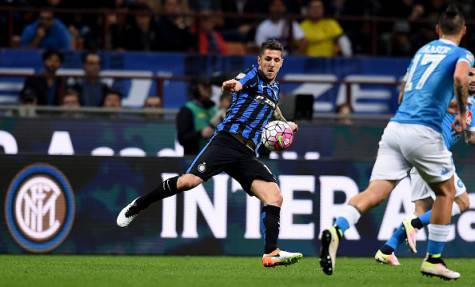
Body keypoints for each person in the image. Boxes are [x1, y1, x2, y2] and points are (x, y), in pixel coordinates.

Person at [319, 5, 473, 280]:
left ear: (437, 29)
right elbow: (460, 76)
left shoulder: (421, 52)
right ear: (464, 31)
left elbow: (402, 92)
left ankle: (338, 228)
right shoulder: (462, 54)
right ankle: (433, 259)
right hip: (424, 133)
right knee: (448, 195)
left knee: (374, 193)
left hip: (395, 128)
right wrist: (461, 113)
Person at [117, 40, 303, 267]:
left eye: (276, 60)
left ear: (281, 63)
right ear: (259, 60)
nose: (271, 64)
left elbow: (272, 106)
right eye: (267, 59)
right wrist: (231, 85)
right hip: (226, 142)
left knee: (275, 196)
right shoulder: (251, 76)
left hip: (246, 153)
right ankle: (140, 204)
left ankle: (270, 253)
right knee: (188, 182)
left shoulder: (274, 89)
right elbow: (239, 83)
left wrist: (286, 124)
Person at [375, 76, 475, 265]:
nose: (472, 79)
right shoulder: (449, 93)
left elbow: (471, 138)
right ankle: (420, 237)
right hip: (433, 151)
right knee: (462, 202)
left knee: (421, 208)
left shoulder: (473, 105)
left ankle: (387, 249)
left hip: (420, 153)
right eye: (469, 74)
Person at [176, 77, 218, 155]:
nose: (209, 89)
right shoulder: (187, 110)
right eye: (205, 86)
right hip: (194, 157)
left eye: (210, 86)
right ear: (195, 88)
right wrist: (201, 134)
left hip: (213, 157)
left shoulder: (215, 109)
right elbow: (182, 138)